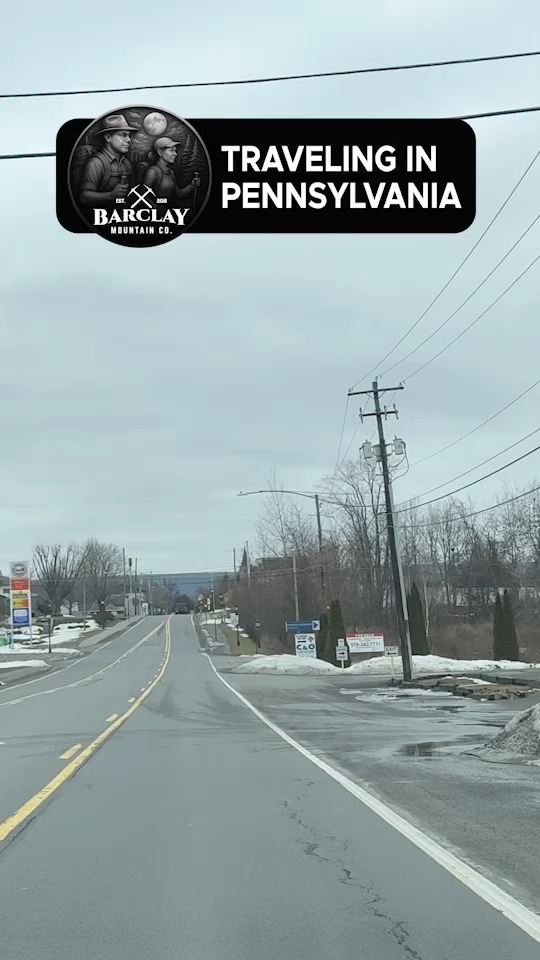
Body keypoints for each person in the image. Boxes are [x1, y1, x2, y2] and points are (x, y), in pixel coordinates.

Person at [78, 114, 138, 206]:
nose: (129, 139)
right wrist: (110, 195)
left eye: (130, 135)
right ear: (108, 137)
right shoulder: (96, 163)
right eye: (123, 135)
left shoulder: (126, 164)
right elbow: (84, 197)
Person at [142, 137, 200, 204]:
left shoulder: (171, 172)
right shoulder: (153, 172)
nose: (175, 154)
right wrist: (163, 202)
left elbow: (177, 194)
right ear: (160, 152)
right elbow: (143, 196)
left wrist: (191, 186)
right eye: (171, 150)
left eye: (175, 150)